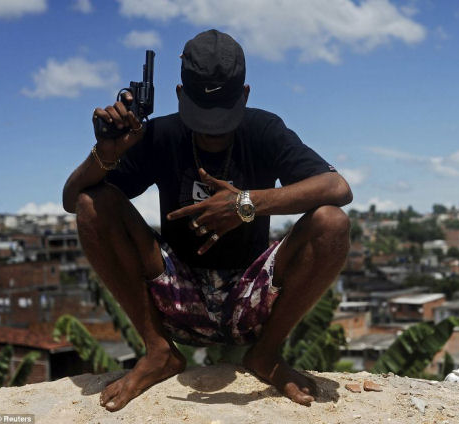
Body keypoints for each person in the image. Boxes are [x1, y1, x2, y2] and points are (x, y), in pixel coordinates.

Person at [62, 29, 352, 412]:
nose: (212, 131)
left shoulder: (263, 129)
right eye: (202, 118)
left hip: (251, 297)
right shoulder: (159, 135)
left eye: (223, 119)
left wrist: (246, 203)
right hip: (175, 293)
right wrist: (105, 153)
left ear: (245, 96)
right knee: (93, 202)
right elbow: (75, 201)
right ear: (180, 96)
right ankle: (159, 351)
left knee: (332, 223)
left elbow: (338, 187)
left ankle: (265, 355)